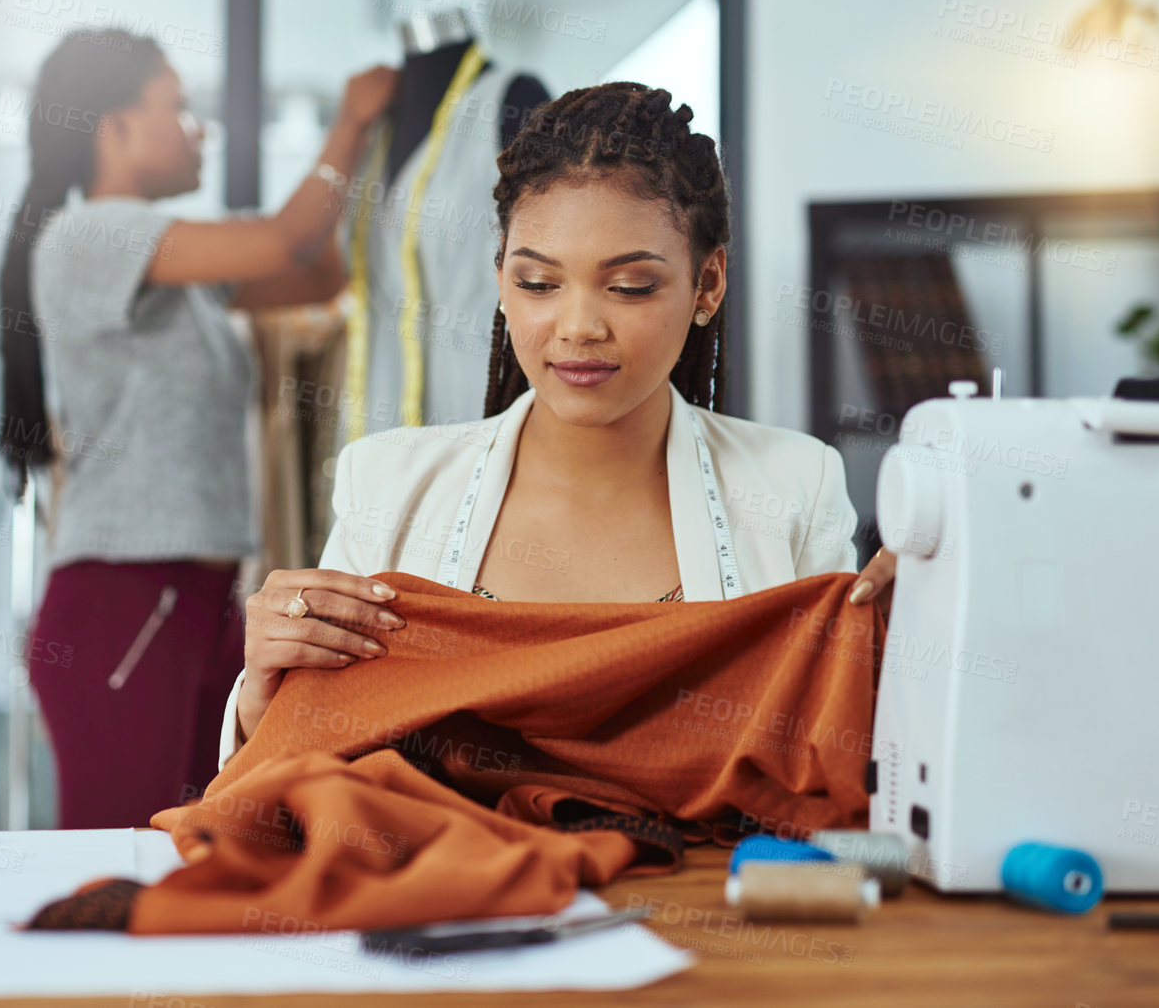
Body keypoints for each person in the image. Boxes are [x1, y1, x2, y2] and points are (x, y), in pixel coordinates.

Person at [219, 82, 897, 765]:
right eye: (538, 284)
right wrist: (260, 697)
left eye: (629, 286)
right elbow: (301, 774)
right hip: (455, 875)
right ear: (501, 280)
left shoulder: (789, 486)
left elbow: (831, 764)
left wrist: (901, 657)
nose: (577, 327)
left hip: (703, 876)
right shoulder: (390, 485)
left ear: (707, 284)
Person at [0, 28, 397, 828]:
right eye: (177, 108)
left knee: (192, 854)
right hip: (126, 601)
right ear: (113, 128)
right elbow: (289, 237)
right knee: (121, 866)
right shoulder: (91, 235)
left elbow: (319, 269)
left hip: (196, 605)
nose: (198, 128)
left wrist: (370, 158)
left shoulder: (182, 283)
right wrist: (348, 123)